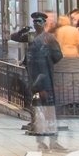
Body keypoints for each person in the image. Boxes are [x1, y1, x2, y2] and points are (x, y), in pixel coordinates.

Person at [17, 11, 63, 145]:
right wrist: (22, 31)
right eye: (35, 21)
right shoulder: (31, 37)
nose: (36, 23)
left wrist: (46, 61)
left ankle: (53, 141)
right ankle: (41, 141)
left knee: (48, 107)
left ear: (44, 23)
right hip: (32, 75)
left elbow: (58, 54)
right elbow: (15, 37)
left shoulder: (48, 38)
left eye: (39, 21)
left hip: (44, 75)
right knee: (37, 109)